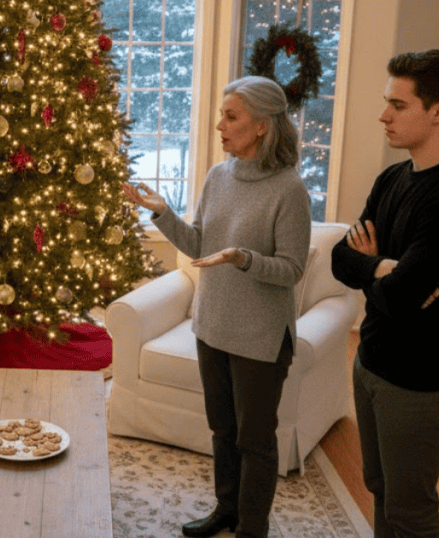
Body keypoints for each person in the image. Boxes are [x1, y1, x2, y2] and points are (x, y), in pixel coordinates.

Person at [123, 75, 311, 538]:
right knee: (222, 431)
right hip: (212, 326)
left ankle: (252, 527)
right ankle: (227, 509)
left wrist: (243, 258)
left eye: (231, 117)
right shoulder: (218, 176)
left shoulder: (289, 191)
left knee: (255, 441)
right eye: (222, 115)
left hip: (261, 337)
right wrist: (163, 213)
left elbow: (291, 270)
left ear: (263, 126)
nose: (219, 126)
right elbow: (199, 244)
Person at [331, 49, 439, 538]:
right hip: (371, 360)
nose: (384, 115)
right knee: (379, 486)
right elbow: (341, 258)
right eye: (386, 102)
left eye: (398, 105)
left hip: (420, 380)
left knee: (409, 511)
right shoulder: (393, 177)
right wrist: (382, 267)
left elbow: (400, 297)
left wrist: (381, 278)